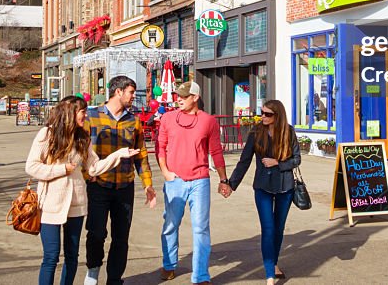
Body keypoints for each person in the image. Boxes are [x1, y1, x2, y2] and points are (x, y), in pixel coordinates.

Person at [26, 96, 138, 285]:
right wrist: (63, 169)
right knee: (51, 257)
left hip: (76, 205)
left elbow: (93, 167)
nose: (85, 116)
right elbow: (32, 167)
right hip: (51, 204)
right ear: (70, 113)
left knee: (72, 257)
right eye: (82, 112)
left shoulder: (82, 138)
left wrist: (119, 154)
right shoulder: (47, 134)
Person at [83, 76, 156, 285]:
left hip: (125, 186)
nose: (134, 96)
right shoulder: (91, 116)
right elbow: (80, 151)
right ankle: (93, 271)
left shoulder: (133, 121)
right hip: (98, 185)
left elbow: (141, 154)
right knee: (96, 232)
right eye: (131, 92)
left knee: (121, 237)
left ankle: (114, 279)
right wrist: (87, 175)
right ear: (118, 92)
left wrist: (148, 184)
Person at [156, 81, 227, 285]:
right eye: (177, 95)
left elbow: (216, 151)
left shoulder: (208, 121)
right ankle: (169, 265)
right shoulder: (168, 118)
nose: (179, 99)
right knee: (171, 225)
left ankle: (201, 276)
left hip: (200, 181)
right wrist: (165, 172)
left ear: (195, 97)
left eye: (184, 96)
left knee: (201, 228)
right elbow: (161, 146)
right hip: (174, 180)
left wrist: (223, 179)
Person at [227, 100, 299, 285]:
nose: (263, 117)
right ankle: (269, 274)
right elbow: (244, 160)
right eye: (262, 113)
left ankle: (273, 263)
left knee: (278, 229)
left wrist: (279, 163)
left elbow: (297, 159)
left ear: (278, 116)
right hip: (263, 186)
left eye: (267, 114)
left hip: (285, 187)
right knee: (268, 229)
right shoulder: (256, 132)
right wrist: (231, 184)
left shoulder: (288, 132)